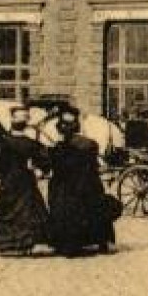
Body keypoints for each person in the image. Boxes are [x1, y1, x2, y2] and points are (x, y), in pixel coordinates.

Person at [45, 108, 118, 255]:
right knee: (94, 208)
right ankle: (102, 241)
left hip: (67, 186)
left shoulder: (60, 148)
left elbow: (56, 167)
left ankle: (70, 244)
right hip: (89, 183)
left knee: (66, 209)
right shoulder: (90, 144)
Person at [0, 107, 49, 255]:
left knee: (9, 211)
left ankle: (7, 244)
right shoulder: (31, 143)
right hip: (25, 182)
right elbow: (44, 162)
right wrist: (37, 170)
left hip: (8, 182)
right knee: (27, 211)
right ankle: (26, 244)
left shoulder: (3, 142)